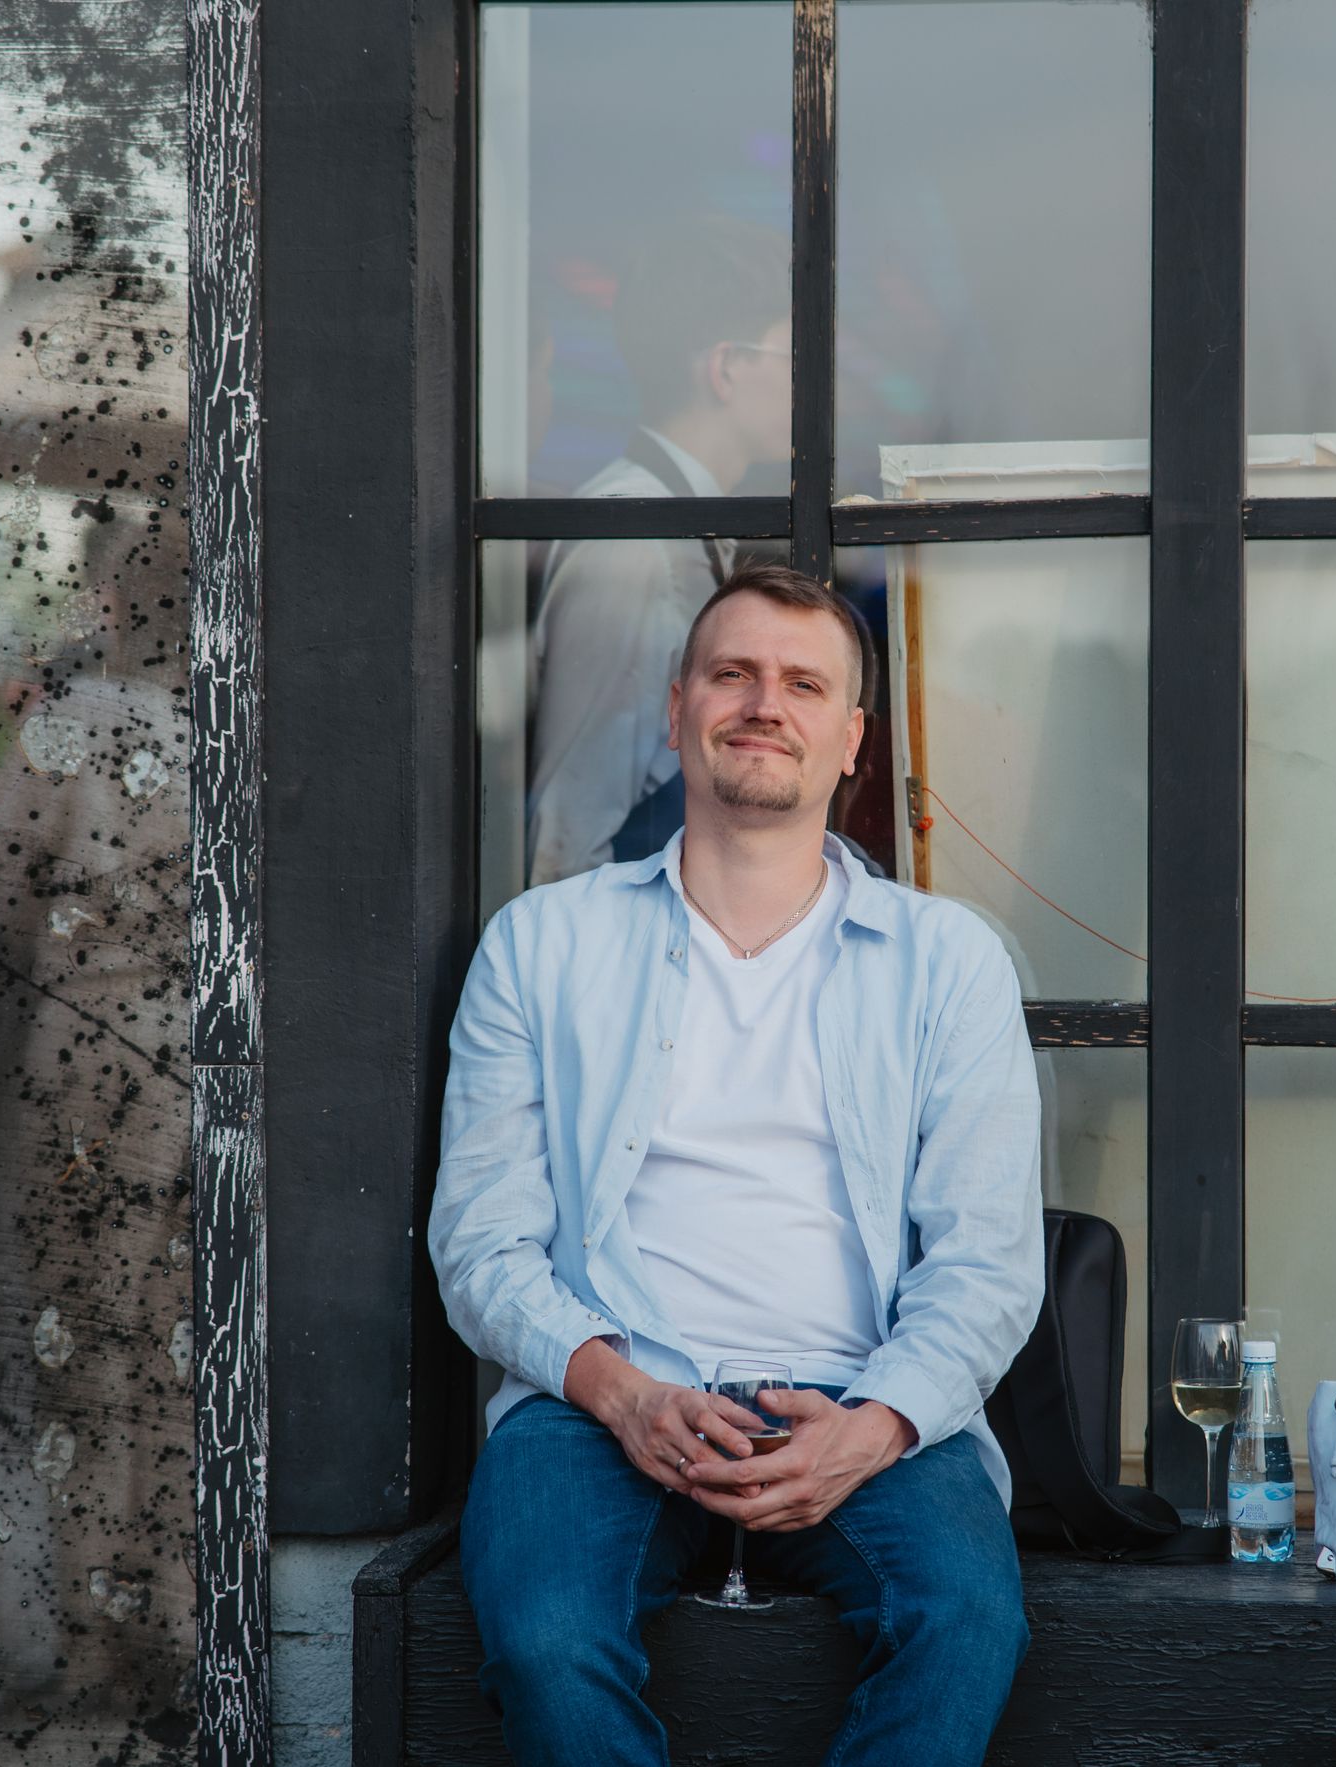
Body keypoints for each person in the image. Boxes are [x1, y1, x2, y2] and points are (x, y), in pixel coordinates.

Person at [433, 561, 1044, 1766]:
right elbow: (482, 1245)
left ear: (851, 740)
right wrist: (624, 1395)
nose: (766, 704)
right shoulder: (541, 945)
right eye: (734, 674)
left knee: (966, 1623)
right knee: (548, 1640)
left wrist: (874, 1426)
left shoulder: (948, 962)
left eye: (804, 685)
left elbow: (986, 1262)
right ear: (677, 710)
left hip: (861, 1393)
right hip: (599, 1399)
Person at [524, 216, 793, 885]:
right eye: (794, 356)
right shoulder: (632, 544)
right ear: (726, 368)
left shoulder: (678, 521)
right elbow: (568, 841)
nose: (812, 384)